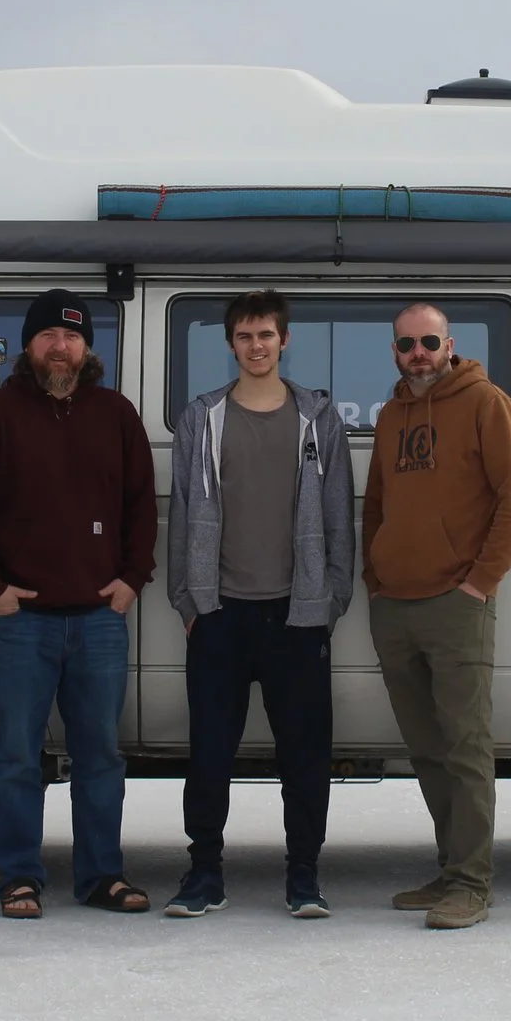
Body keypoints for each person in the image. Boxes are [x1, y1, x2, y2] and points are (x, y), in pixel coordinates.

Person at [0, 288, 157, 920]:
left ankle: (101, 877)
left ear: (87, 346)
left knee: (100, 757)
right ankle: (19, 877)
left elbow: (142, 506)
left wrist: (132, 578)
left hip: (99, 620)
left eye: (71, 336)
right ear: (29, 345)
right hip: (20, 624)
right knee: (16, 758)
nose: (60, 347)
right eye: (48, 337)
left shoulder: (116, 416)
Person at [162, 290, 355, 920]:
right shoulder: (203, 418)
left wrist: (329, 601)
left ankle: (304, 876)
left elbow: (338, 518)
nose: (256, 346)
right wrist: (190, 603)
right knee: (210, 751)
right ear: (230, 344)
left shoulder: (316, 420)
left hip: (297, 617)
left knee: (304, 752)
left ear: (284, 339)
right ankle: (204, 873)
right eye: (245, 336)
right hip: (219, 615)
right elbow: (184, 510)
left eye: (266, 335)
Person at [362, 302, 511, 930]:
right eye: (406, 344)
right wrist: (375, 581)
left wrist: (479, 584)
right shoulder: (390, 415)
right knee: (428, 751)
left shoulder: (487, 404)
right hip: (396, 606)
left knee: (466, 748)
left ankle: (473, 883)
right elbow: (376, 504)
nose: (418, 354)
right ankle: (449, 869)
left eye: (428, 342)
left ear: (449, 344)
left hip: (456, 605)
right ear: (395, 351)